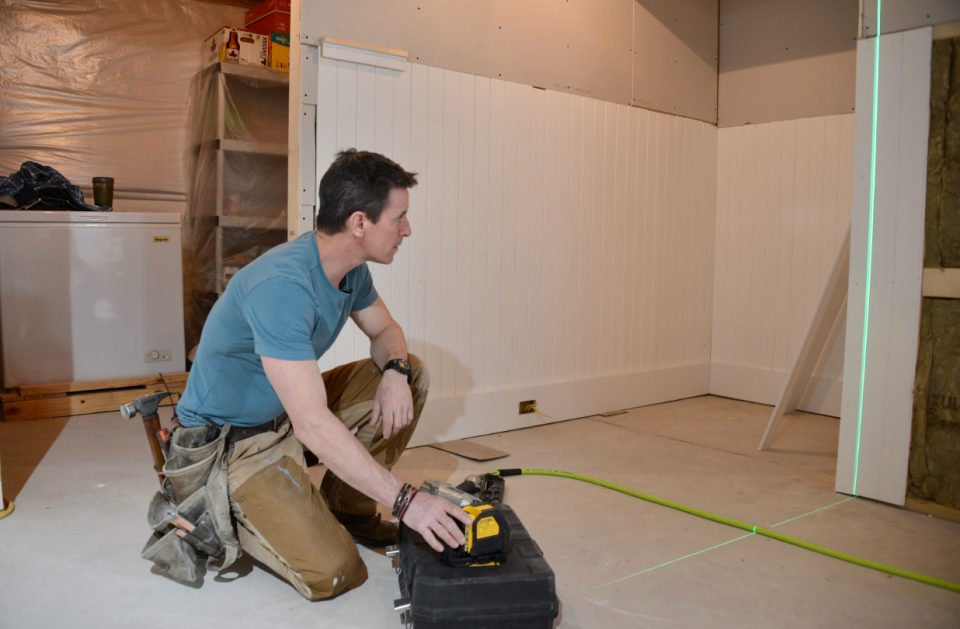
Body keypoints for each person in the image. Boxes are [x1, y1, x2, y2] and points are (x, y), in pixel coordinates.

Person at [170, 149, 472, 600]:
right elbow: (312, 423)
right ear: (359, 223)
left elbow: (386, 329)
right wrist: (407, 502)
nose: (407, 229)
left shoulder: (351, 271)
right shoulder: (282, 287)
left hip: (283, 414)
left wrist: (395, 369)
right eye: (399, 218)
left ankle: (346, 506)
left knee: (413, 373)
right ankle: (225, 505)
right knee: (334, 572)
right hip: (233, 442)